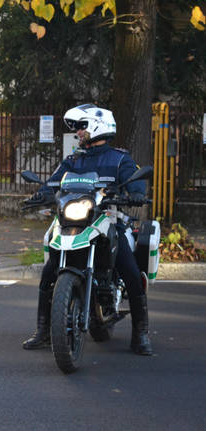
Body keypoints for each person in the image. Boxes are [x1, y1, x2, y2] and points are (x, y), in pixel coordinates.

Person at [22, 104, 153, 356]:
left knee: (131, 272)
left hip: (107, 220)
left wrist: (136, 195)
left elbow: (135, 183)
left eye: (81, 127)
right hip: (73, 222)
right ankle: (43, 331)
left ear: (97, 125)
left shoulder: (119, 159)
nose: (78, 133)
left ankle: (141, 334)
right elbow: (52, 184)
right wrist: (38, 195)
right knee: (49, 272)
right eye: (78, 128)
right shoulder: (73, 160)